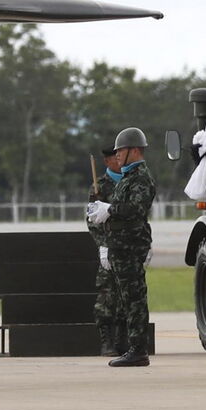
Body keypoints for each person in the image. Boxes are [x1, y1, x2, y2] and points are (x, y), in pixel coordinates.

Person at [87, 127, 157, 367]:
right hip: (120, 246)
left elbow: (136, 209)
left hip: (130, 247)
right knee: (128, 300)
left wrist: (110, 210)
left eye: (121, 151)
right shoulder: (128, 177)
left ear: (134, 151)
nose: (117, 155)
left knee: (134, 299)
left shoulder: (141, 177)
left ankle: (138, 349)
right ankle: (134, 348)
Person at [87, 146, 127, 356]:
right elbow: (93, 220)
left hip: (128, 246)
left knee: (125, 296)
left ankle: (123, 340)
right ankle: (107, 342)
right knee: (106, 296)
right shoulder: (99, 187)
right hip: (109, 247)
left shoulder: (129, 181)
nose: (119, 160)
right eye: (115, 157)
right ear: (107, 161)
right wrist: (103, 245)